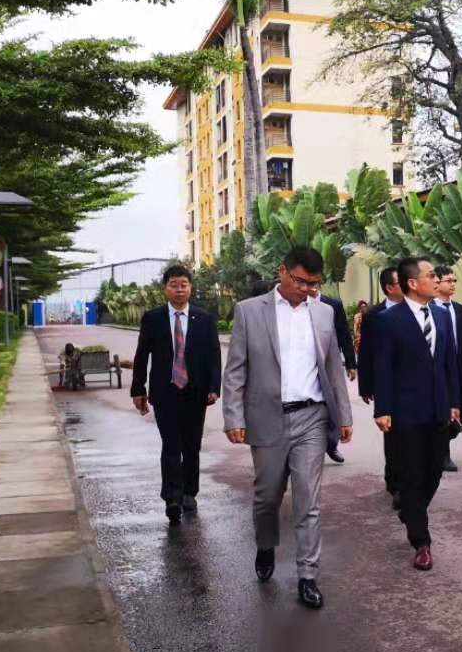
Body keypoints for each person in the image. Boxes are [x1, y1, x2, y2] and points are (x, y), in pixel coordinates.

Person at [222, 246, 353, 607]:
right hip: (267, 417)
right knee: (267, 497)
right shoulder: (249, 311)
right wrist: (233, 417)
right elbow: (235, 370)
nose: (307, 290)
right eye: (300, 282)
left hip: (312, 417)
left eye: (314, 284)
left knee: (308, 500)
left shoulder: (324, 313)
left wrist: (344, 416)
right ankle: (265, 544)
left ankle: (308, 576)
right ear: (282, 271)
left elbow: (333, 368)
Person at [373, 257, 462, 571]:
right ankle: (421, 541)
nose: (437, 280)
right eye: (431, 275)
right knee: (411, 474)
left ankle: (411, 511)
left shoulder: (441, 315)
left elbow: (449, 363)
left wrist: (454, 401)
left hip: (438, 409)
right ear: (412, 283)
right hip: (404, 411)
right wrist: (382, 408)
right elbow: (383, 367)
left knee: (434, 471)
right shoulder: (389, 319)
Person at [130, 264, 222, 524]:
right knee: (171, 444)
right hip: (165, 392)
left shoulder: (204, 319)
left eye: (184, 284)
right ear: (165, 289)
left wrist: (214, 387)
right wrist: (138, 388)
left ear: (190, 288)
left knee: (192, 445)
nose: (179, 289)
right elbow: (141, 355)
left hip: (196, 391)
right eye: (174, 285)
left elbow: (214, 354)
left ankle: (189, 492)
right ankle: (172, 497)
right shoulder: (153, 318)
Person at [357, 267, 404, 505]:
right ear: (389, 288)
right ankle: (396, 483)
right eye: (400, 282)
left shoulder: (418, 310)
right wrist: (365, 386)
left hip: (413, 384)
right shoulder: (374, 315)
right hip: (387, 384)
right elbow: (366, 352)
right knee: (393, 435)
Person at [432, 265, 462, 473]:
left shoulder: (459, 309)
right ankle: (442, 454)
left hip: (458, 369)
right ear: (437, 283)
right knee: (443, 411)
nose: (452, 284)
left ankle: (440, 443)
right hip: (439, 371)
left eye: (454, 280)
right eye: (448, 280)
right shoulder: (430, 309)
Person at [313, 288, 357, 464]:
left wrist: (351, 364)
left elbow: (344, 334)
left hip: (329, 361)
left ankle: (331, 444)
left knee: (333, 403)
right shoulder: (297, 303)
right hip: (307, 364)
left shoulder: (333, 305)